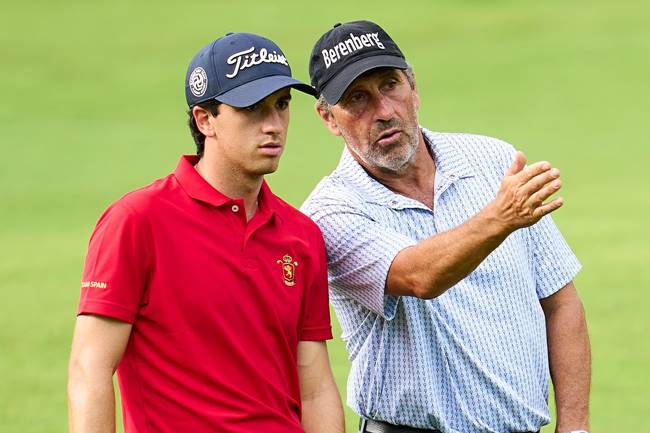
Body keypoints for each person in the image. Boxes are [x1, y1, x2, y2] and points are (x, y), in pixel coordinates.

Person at [301, 20, 590, 433]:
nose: (384, 112)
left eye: (390, 86)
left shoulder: (493, 161)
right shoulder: (330, 212)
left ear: (413, 86)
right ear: (329, 118)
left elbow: (560, 300)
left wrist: (575, 426)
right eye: (357, 99)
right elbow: (420, 275)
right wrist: (500, 217)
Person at [67, 32, 344, 433]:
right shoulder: (136, 221)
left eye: (281, 105)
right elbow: (89, 369)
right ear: (204, 119)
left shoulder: (301, 237)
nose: (273, 125)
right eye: (252, 109)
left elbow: (315, 388)